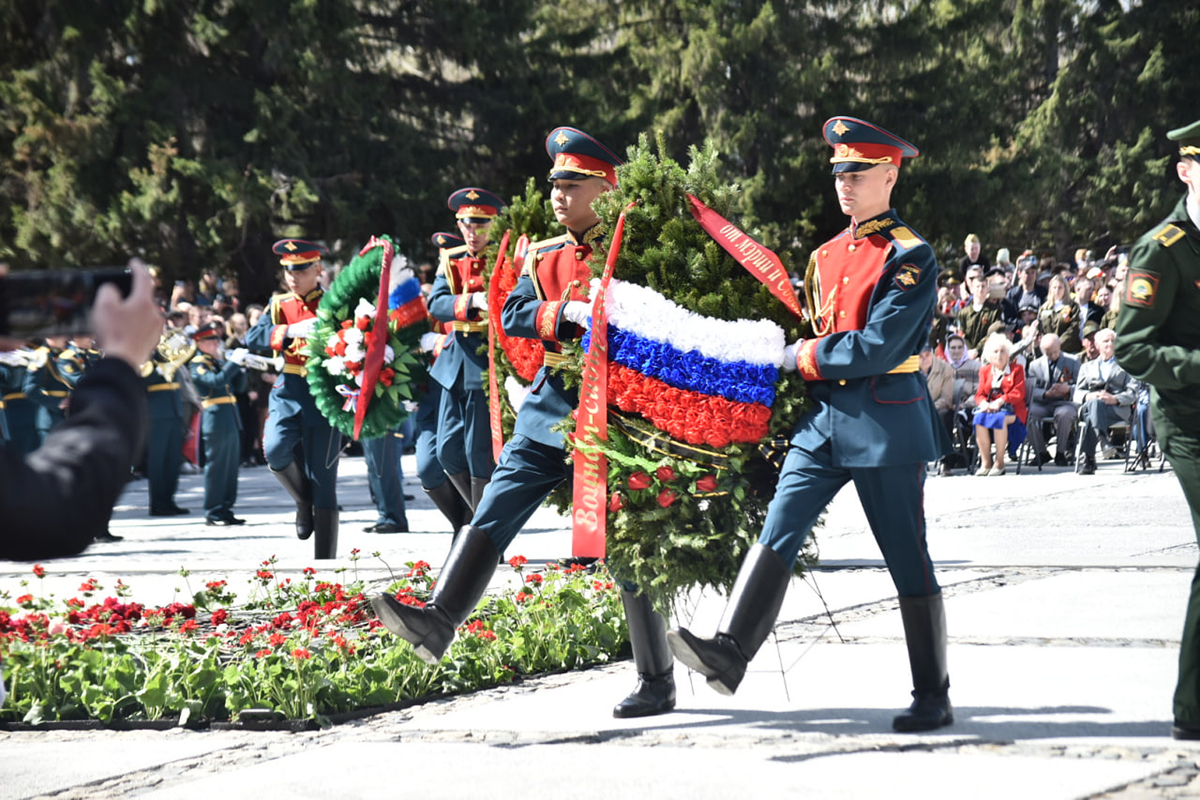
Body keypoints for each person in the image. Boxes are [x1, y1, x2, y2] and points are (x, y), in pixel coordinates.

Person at [372, 127, 679, 720]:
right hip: (549, 406)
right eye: (555, 185)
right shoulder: (542, 255)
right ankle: (439, 622)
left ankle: (656, 678)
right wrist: (560, 312)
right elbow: (513, 312)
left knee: (624, 544)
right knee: (493, 509)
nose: (559, 195)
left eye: (572, 184)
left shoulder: (636, 244)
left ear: (605, 186)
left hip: (615, 412)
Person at [667, 117, 954, 732]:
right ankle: (730, 652)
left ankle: (933, 692)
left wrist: (802, 358)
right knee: (779, 525)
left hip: (884, 420)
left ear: (888, 174)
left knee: (906, 554)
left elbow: (877, 346)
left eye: (856, 173)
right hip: (824, 421)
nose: (844, 184)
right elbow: (817, 327)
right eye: (838, 173)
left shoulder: (910, 256)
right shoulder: (825, 256)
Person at [1115, 119, 1200, 740]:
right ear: (1187, 171)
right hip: (1189, 420)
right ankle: (1191, 711)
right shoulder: (1162, 248)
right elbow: (1132, 348)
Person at [1, 261, 162, 560]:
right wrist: (123, 361)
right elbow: (48, 514)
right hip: (54, 420)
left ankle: (104, 528)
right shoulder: (50, 357)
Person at [246, 239, 341, 559]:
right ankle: (303, 502)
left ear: (317, 270)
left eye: (300, 270)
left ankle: (327, 567)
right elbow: (253, 338)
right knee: (274, 448)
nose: (292, 276)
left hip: (324, 395)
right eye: (287, 270)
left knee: (324, 481)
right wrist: (288, 332)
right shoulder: (278, 305)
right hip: (288, 391)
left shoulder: (335, 304)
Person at [427, 188, 506, 512]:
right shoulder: (452, 258)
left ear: (493, 224)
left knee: (478, 454)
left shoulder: (505, 255)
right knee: (446, 451)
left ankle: (484, 533)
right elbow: (436, 303)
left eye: (480, 224)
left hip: (484, 361)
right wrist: (471, 301)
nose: (472, 232)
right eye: (466, 225)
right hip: (453, 362)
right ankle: (478, 520)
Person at [189, 321, 248, 525]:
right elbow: (216, 381)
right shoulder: (198, 363)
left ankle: (226, 508)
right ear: (199, 342)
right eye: (210, 340)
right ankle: (213, 510)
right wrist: (233, 365)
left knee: (231, 468)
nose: (216, 343)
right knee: (217, 468)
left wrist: (240, 368)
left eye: (217, 339)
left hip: (230, 417)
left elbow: (239, 387)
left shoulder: (219, 362)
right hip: (215, 419)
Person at [142, 323, 191, 516]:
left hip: (174, 410)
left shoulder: (169, 353)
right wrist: (157, 371)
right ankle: (158, 503)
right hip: (157, 414)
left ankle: (169, 500)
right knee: (158, 460)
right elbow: (140, 379)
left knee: (172, 460)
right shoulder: (143, 354)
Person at [1073, 327, 1136, 474]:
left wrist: (1114, 398)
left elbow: (1133, 392)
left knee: (1092, 415)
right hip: (1091, 406)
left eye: (1112, 341)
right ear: (1097, 344)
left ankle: (1089, 459)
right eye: (1105, 341)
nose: (1109, 344)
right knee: (1095, 403)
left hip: (1116, 410)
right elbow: (1077, 393)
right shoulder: (1086, 367)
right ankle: (1103, 441)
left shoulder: (1126, 365)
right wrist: (1089, 396)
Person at [971, 333, 1026, 475]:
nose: (999, 355)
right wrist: (983, 403)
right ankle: (986, 462)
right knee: (978, 419)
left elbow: (1019, 393)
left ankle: (1000, 463)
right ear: (990, 356)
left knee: (998, 419)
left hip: (1013, 410)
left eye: (1003, 351)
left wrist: (1001, 401)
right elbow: (979, 394)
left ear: (1008, 354)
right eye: (995, 352)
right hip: (990, 409)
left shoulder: (1017, 369)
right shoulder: (985, 370)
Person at [1025, 333, 1081, 467]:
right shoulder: (1034, 365)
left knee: (1064, 414)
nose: (1053, 355)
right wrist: (1045, 394)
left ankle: (1061, 452)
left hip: (1065, 402)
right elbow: (1032, 389)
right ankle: (1041, 452)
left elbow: (1081, 385)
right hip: (1044, 402)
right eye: (1048, 353)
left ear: (1060, 346)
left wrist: (1068, 389)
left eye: (1055, 352)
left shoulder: (1073, 360)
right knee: (1026, 413)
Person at [919, 343, 955, 475]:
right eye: (920, 356)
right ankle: (915, 461)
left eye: (927, 355)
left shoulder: (946, 368)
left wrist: (929, 408)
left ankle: (945, 461)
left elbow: (946, 398)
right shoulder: (910, 368)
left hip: (938, 407)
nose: (924, 359)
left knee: (945, 415)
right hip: (917, 407)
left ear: (933, 354)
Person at [956, 266, 1004, 357]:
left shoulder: (995, 311)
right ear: (971, 289)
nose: (980, 289)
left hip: (988, 354)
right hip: (967, 355)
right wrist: (969, 351)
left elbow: (994, 333)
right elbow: (961, 334)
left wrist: (978, 350)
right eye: (977, 286)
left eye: (983, 286)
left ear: (987, 289)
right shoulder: (964, 313)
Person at [1037, 274, 1081, 354]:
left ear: (1065, 289)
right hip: (1048, 351)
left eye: (1060, 287)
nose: (1057, 290)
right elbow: (1040, 328)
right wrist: (1048, 345)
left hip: (1068, 350)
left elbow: (1074, 328)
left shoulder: (1073, 306)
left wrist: (1057, 344)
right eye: (1054, 287)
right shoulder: (1044, 308)